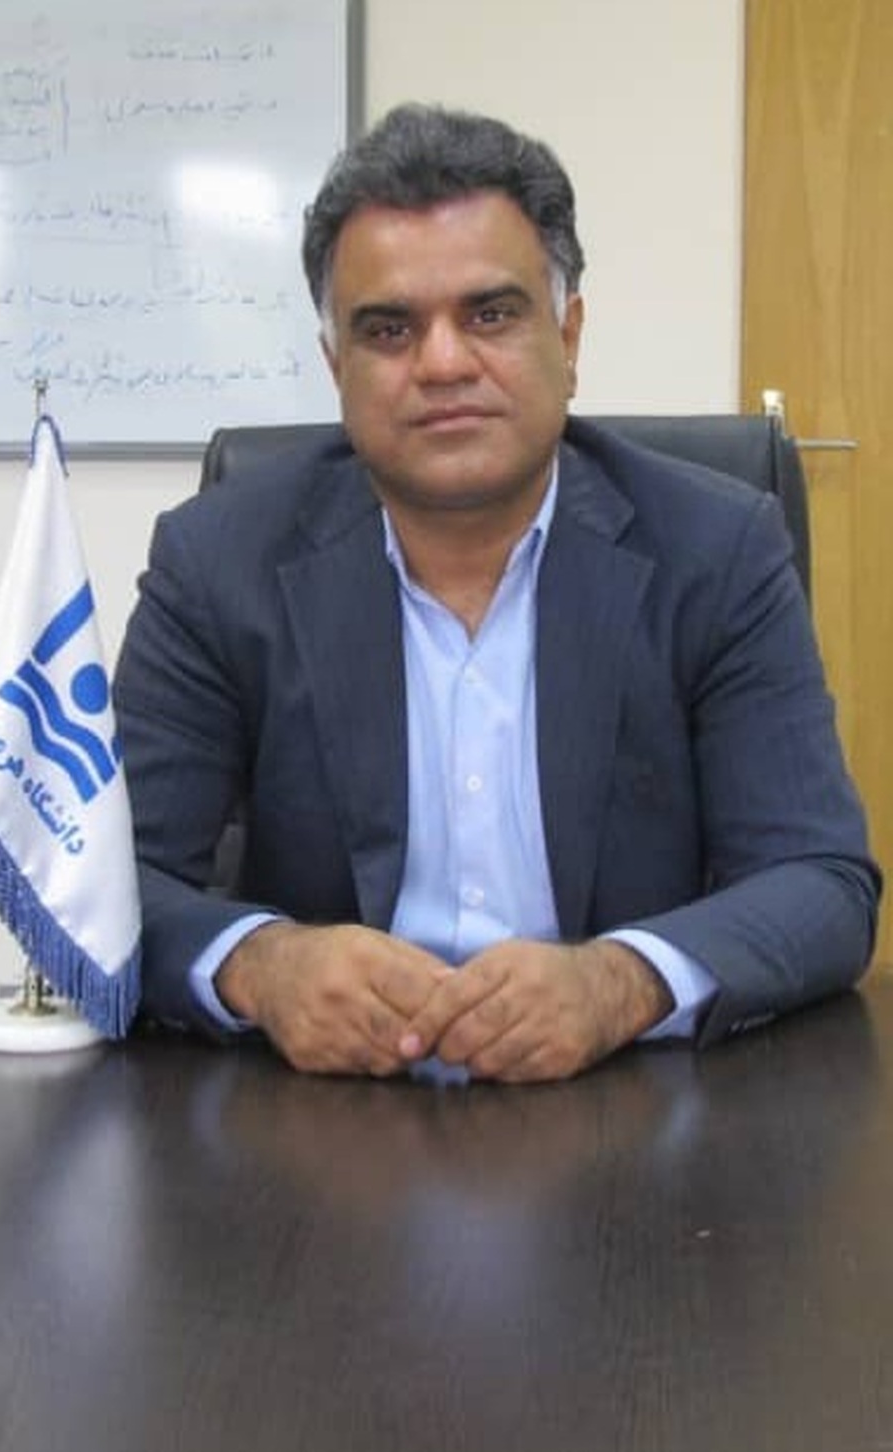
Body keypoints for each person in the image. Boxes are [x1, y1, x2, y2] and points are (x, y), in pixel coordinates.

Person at [113, 103, 880, 1082]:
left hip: (629, 1106)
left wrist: (619, 983)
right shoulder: (217, 561)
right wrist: (261, 966)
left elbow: (820, 883)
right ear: (336, 365)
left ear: (569, 334)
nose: (442, 363)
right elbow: (105, 883)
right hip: (322, 1114)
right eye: (389, 328)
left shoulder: (717, 551)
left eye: (490, 314)